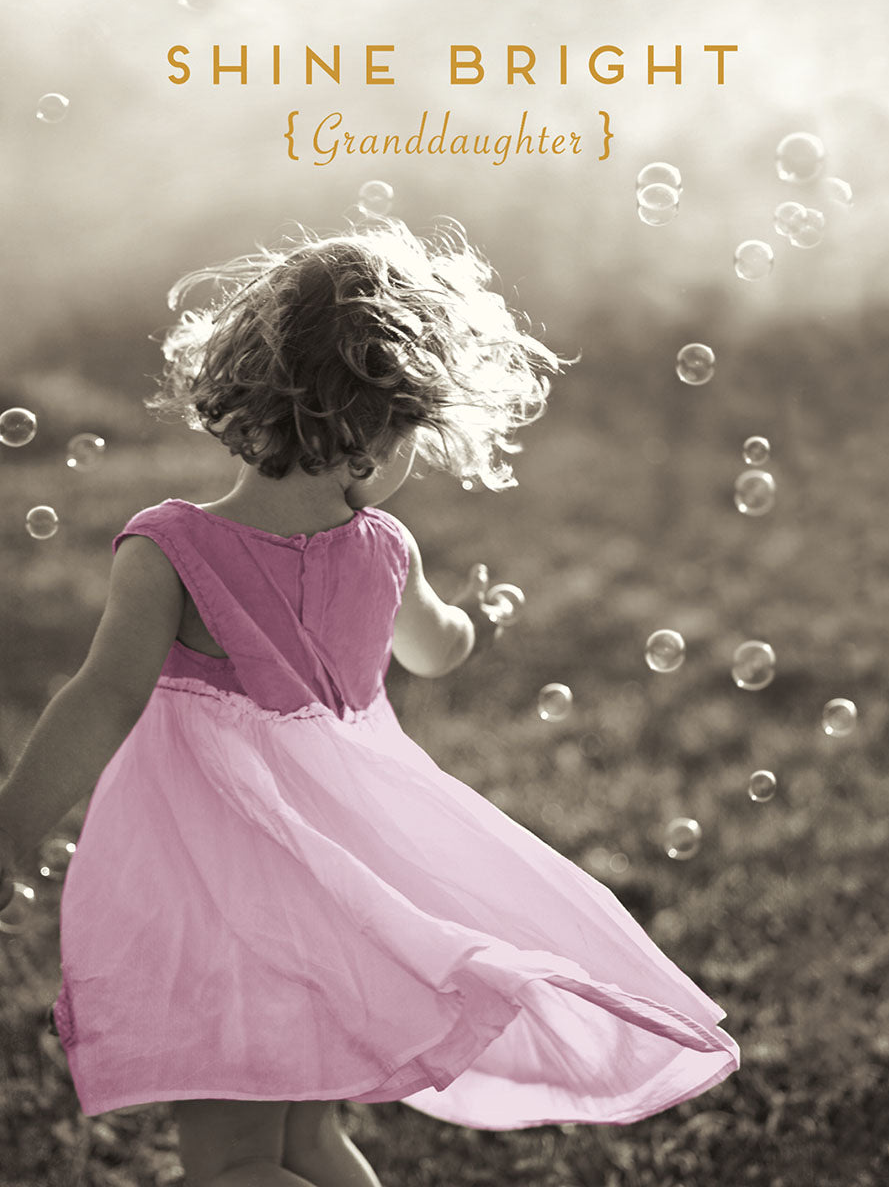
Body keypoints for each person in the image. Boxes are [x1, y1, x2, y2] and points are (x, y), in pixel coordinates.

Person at [0, 216, 739, 1187]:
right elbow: (436, 649)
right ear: (383, 433)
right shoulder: (388, 552)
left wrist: (13, 830)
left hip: (212, 894)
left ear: (246, 389)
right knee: (312, 1143)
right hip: (337, 889)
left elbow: (101, 698)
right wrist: (473, 626)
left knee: (230, 1163)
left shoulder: (169, 545)